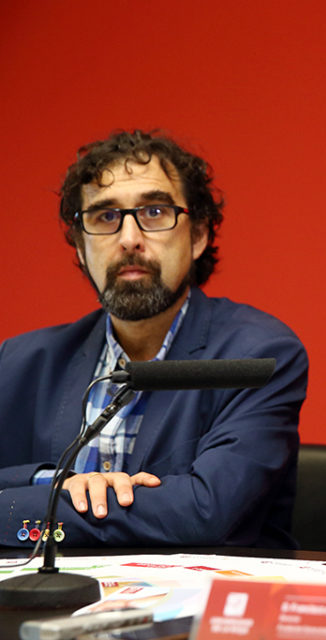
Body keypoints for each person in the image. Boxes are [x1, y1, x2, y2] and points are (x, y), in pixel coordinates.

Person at [0, 130, 308, 548]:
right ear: (79, 246)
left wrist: (38, 507)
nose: (129, 238)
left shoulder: (257, 355)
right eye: (105, 217)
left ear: (198, 236)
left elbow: (205, 514)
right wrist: (52, 481)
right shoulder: (20, 361)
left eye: (155, 212)